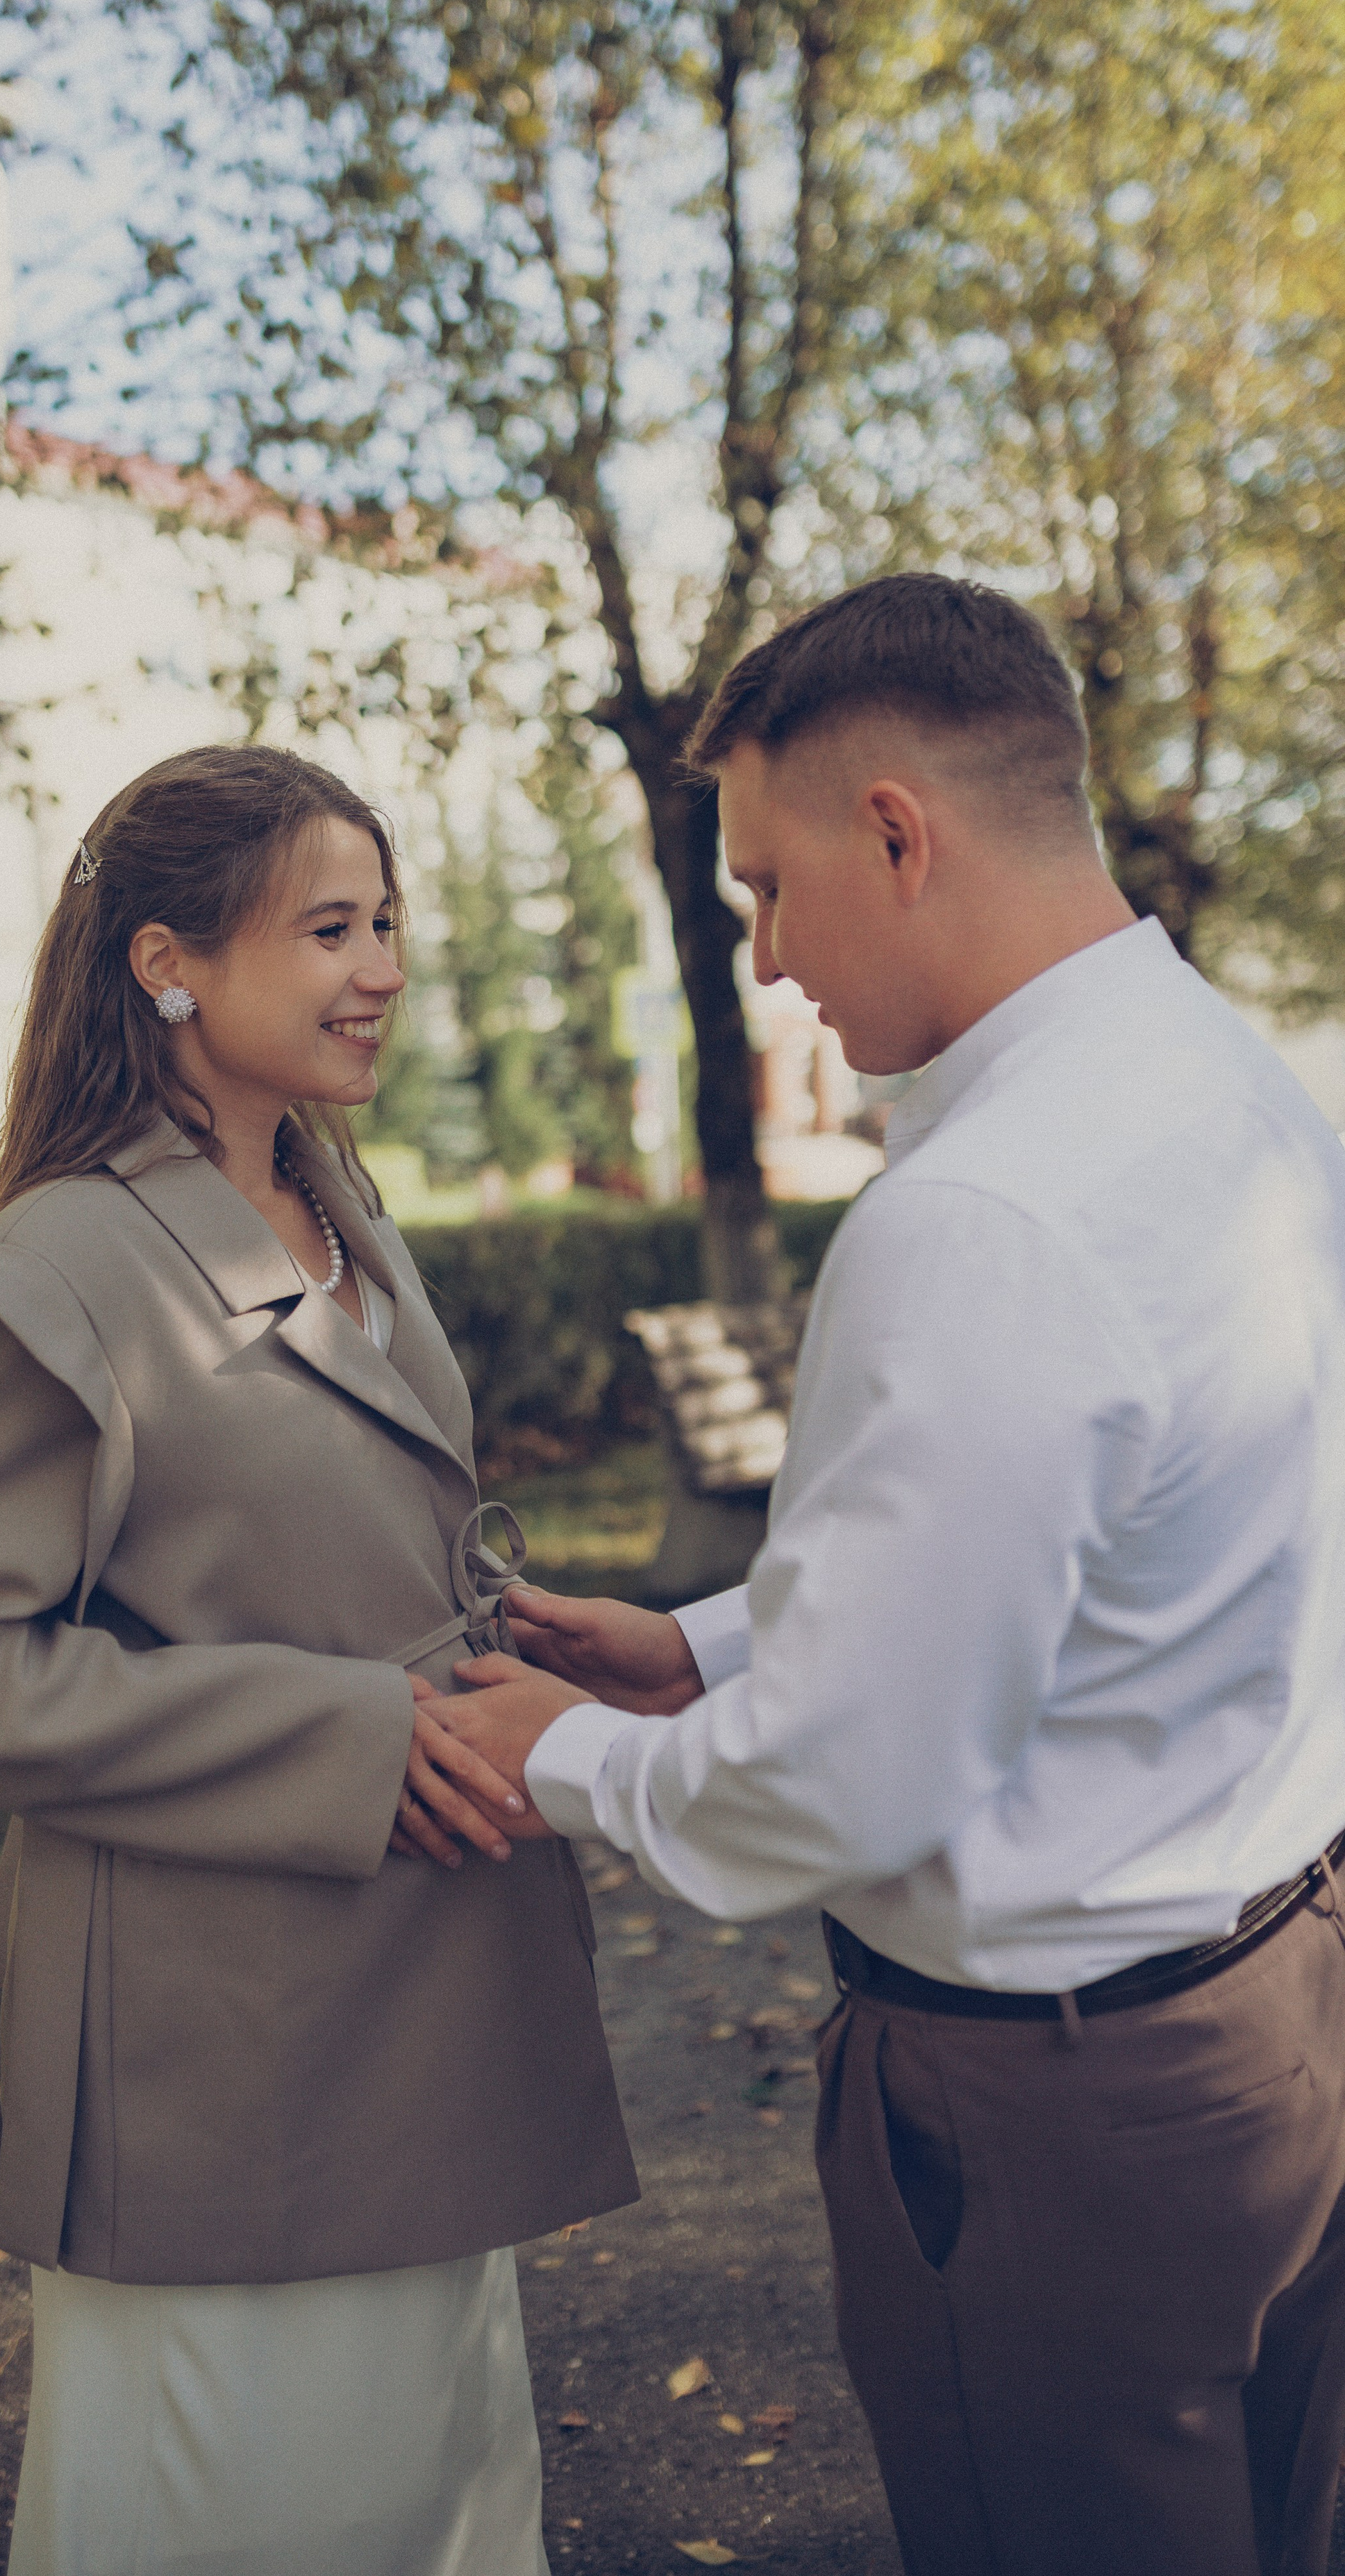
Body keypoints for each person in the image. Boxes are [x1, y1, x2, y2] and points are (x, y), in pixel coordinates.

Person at [428, 575, 1345, 2576]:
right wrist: (699, 1642)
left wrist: (569, 1752)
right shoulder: (1246, 1099)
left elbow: (845, 1783)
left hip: (1059, 2130)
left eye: (767, 886)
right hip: (1280, 2016)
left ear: (900, 832)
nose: (766, 957)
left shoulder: (986, 1213)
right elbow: (1102, 1535)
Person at [0, 743, 637, 2576]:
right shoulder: (62, 1272)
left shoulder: (340, 1214)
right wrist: (340, 1731)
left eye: (392, 926)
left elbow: (323, 1539)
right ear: (167, 962)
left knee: (443, 2501)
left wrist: (526, 1644)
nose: (383, 968)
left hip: (419, 1990)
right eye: (331, 927)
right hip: (224, 2053)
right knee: (247, 2514)